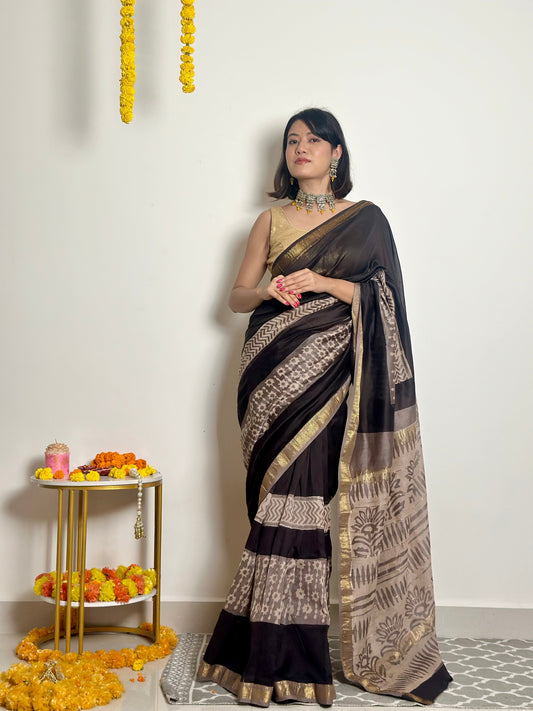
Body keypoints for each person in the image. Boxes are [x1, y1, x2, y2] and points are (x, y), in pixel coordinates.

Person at [197, 108, 453, 706]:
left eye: (314, 139)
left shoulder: (366, 220)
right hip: (270, 374)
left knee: (307, 497)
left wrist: (325, 282)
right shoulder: (269, 220)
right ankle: (266, 654)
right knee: (276, 502)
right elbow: (234, 298)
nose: (301, 148)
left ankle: (290, 656)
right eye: (293, 140)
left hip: (336, 374)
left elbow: (386, 297)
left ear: (337, 153)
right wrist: (267, 288)